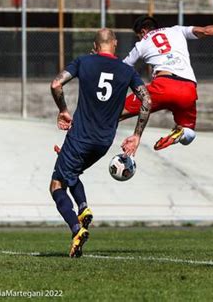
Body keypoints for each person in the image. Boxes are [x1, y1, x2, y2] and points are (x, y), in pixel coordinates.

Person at [50, 28, 151, 258]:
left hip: (80, 136)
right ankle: (83, 207)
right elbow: (147, 99)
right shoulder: (127, 70)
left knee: (56, 184)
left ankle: (77, 228)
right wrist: (137, 135)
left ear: (95, 46)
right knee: (71, 171)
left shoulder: (84, 61)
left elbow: (56, 84)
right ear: (114, 43)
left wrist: (63, 110)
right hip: (104, 142)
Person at [121, 16, 213, 150]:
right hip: (188, 88)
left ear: (143, 31)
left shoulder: (142, 43)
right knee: (189, 133)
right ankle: (180, 134)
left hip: (163, 86)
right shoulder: (177, 30)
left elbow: (121, 70)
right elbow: (207, 31)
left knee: (116, 111)